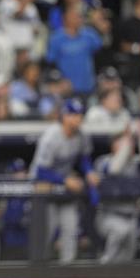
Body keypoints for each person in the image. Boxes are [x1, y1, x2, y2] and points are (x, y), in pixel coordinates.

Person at [29, 98, 100, 264]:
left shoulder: (82, 135)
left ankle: (67, 269)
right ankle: (39, 269)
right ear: (64, 116)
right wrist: (64, 180)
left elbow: (84, 157)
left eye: (79, 115)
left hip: (66, 186)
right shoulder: (51, 137)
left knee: (71, 227)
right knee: (47, 229)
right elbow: (41, 170)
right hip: (44, 186)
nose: (77, 119)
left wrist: (89, 171)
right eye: (73, 115)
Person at [95, 121, 140, 264]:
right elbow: (115, 169)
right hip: (109, 215)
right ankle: (102, 269)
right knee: (118, 234)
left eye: (130, 143)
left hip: (131, 215)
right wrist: (127, 140)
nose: (129, 146)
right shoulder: (103, 161)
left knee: (128, 257)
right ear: (113, 145)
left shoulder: (135, 162)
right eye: (122, 142)